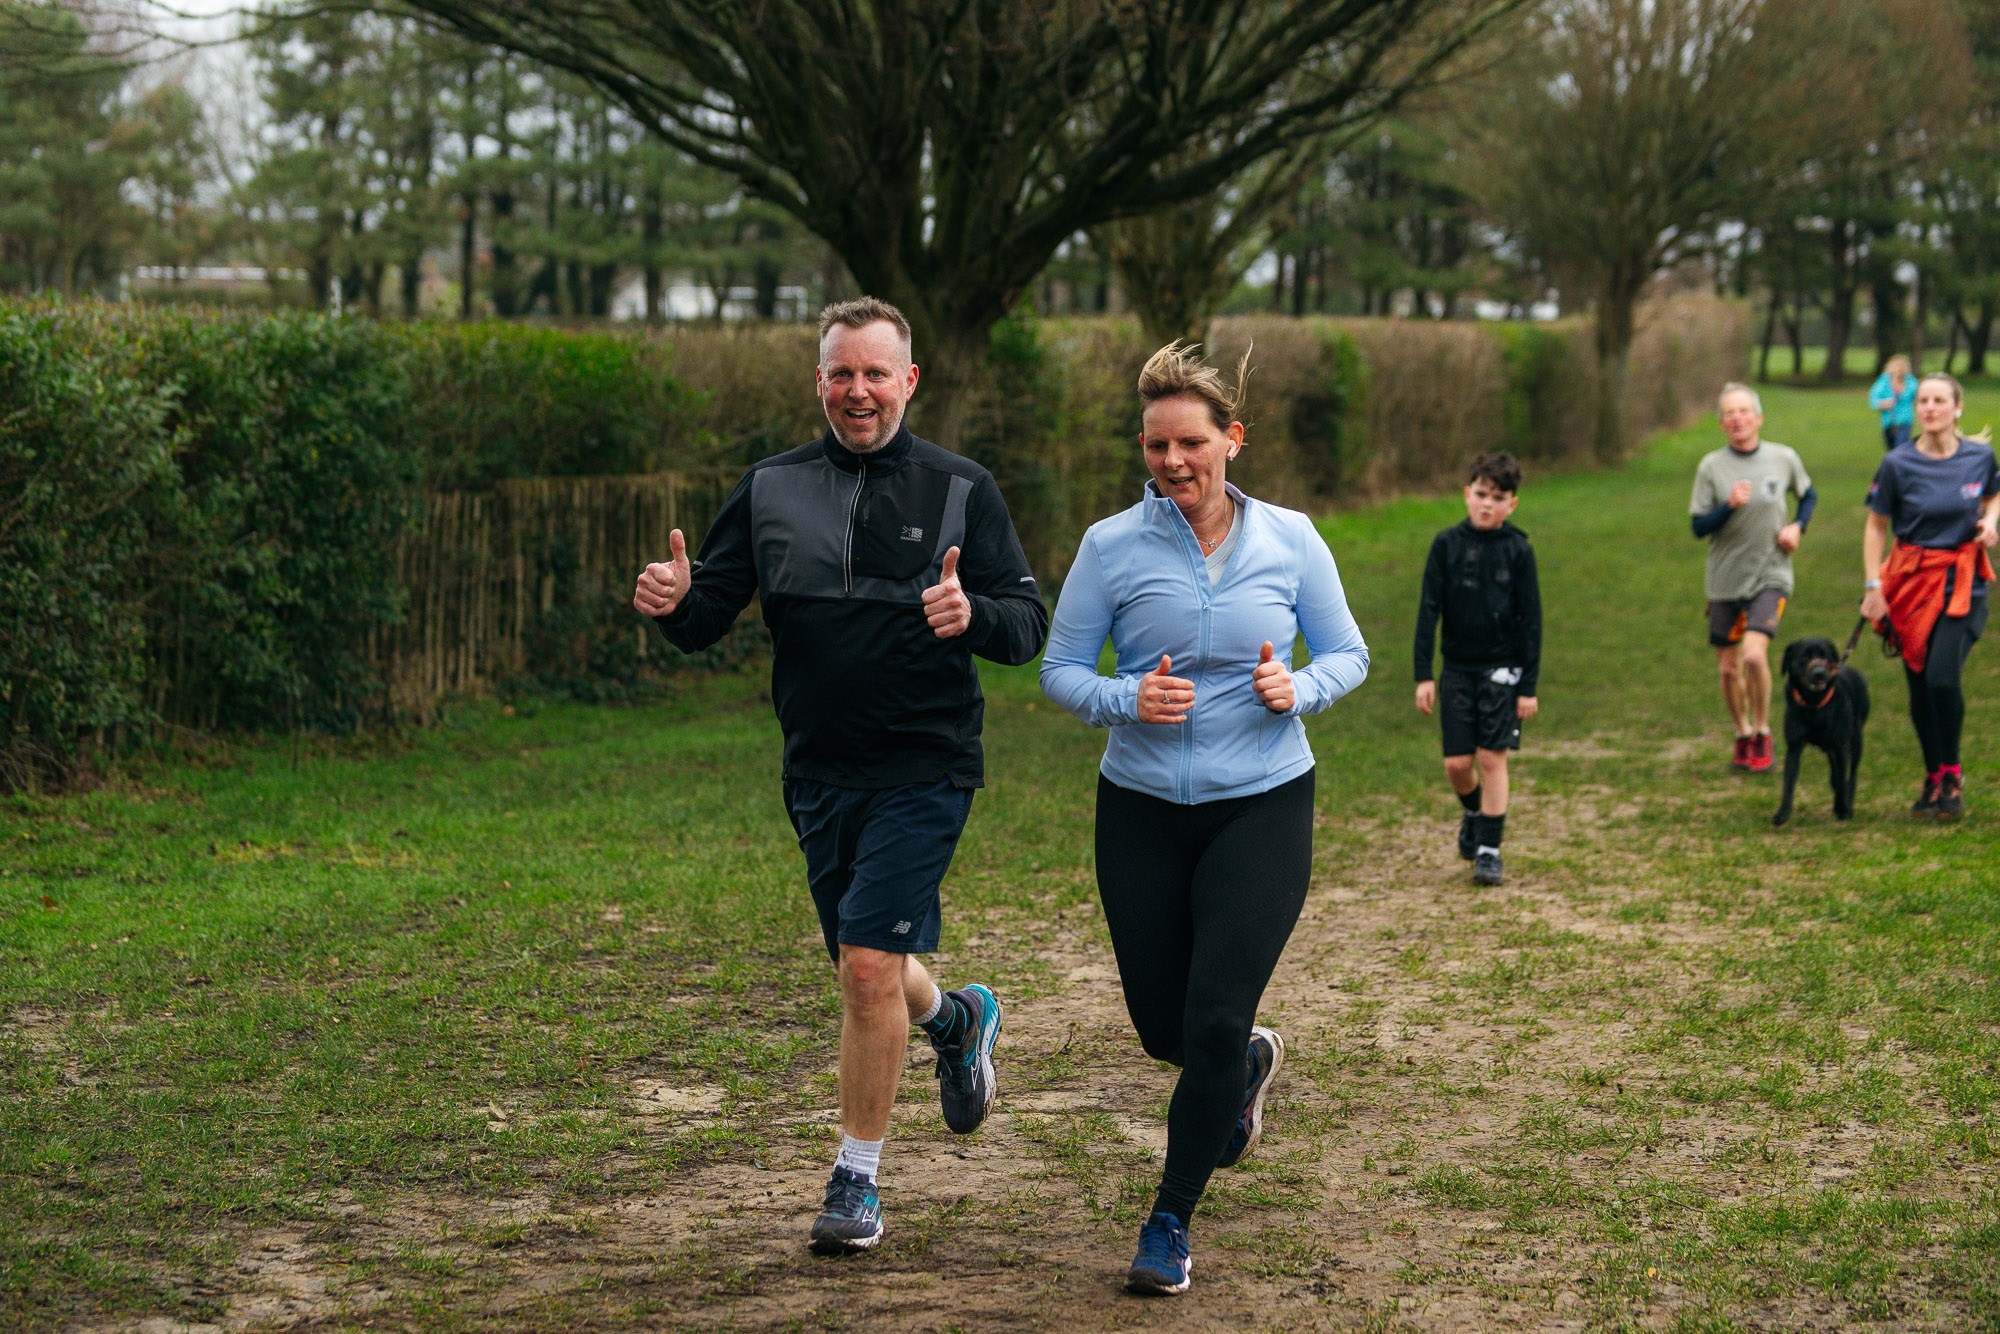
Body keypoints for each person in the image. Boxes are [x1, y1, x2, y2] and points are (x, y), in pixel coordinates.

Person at [632, 297, 1049, 1253]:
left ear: (910, 380)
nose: (856, 391)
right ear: (817, 381)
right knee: (869, 964)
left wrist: (971, 616)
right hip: (817, 770)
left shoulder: (961, 488)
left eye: (874, 373)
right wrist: (674, 602)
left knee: (866, 969)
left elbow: (1026, 625)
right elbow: (707, 617)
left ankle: (856, 1182)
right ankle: (957, 1019)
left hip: (924, 764)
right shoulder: (771, 487)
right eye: (839, 373)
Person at [1039, 342, 1369, 1297]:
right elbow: (1063, 670)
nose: (1173, 462)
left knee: (1214, 1017)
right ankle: (1243, 1065)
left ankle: (1168, 1221)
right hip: (1139, 808)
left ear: (1232, 440)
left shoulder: (1293, 539)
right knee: (1163, 1029)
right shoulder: (1110, 547)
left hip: (1262, 804)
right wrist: (1125, 700)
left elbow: (1347, 654)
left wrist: (1293, 686)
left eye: (1190, 443)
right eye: (1155, 446)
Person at [1859, 372, 2000, 818]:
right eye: (1923, 401)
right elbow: (1876, 526)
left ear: (1957, 407)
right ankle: (1932, 773)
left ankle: (1952, 773)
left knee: (1942, 678)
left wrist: (1991, 522)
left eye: (1939, 400)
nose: (1930, 408)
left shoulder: (1980, 457)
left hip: (1964, 584)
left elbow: (1994, 496)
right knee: (1920, 690)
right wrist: (1873, 588)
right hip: (1910, 584)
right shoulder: (1898, 464)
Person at [1413, 453, 1541, 888]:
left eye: (1499, 497)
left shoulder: (1519, 550)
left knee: (1491, 757)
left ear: (1512, 504)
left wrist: (1529, 685)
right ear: (1467, 494)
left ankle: (1489, 850)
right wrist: (1424, 675)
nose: (1488, 504)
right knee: (1456, 764)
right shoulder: (1446, 546)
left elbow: (1532, 621)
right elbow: (1428, 613)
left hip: (1503, 671)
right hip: (1457, 671)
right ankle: (1473, 811)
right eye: (1482, 494)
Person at [1689, 382, 1818, 772]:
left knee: (1754, 655)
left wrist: (1797, 526)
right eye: (1729, 413)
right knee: (1728, 668)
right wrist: (1727, 507)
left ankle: (1763, 730)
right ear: (1721, 423)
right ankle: (1742, 731)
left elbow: (1808, 495)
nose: (1737, 418)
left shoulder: (1783, 458)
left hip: (1771, 573)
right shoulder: (1711, 467)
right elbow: (1698, 527)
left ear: (1758, 418)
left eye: (1744, 411)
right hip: (1725, 580)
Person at [1870, 354, 1917, 452]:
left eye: (1901, 368)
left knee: (1900, 447)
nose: (1898, 371)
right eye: (1896, 368)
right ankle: (1896, 465)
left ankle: (1900, 466)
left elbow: (1920, 398)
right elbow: (1873, 400)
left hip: (1904, 421)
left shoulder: (1911, 382)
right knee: (1891, 449)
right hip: (1888, 422)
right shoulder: (1883, 382)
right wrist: (1883, 403)